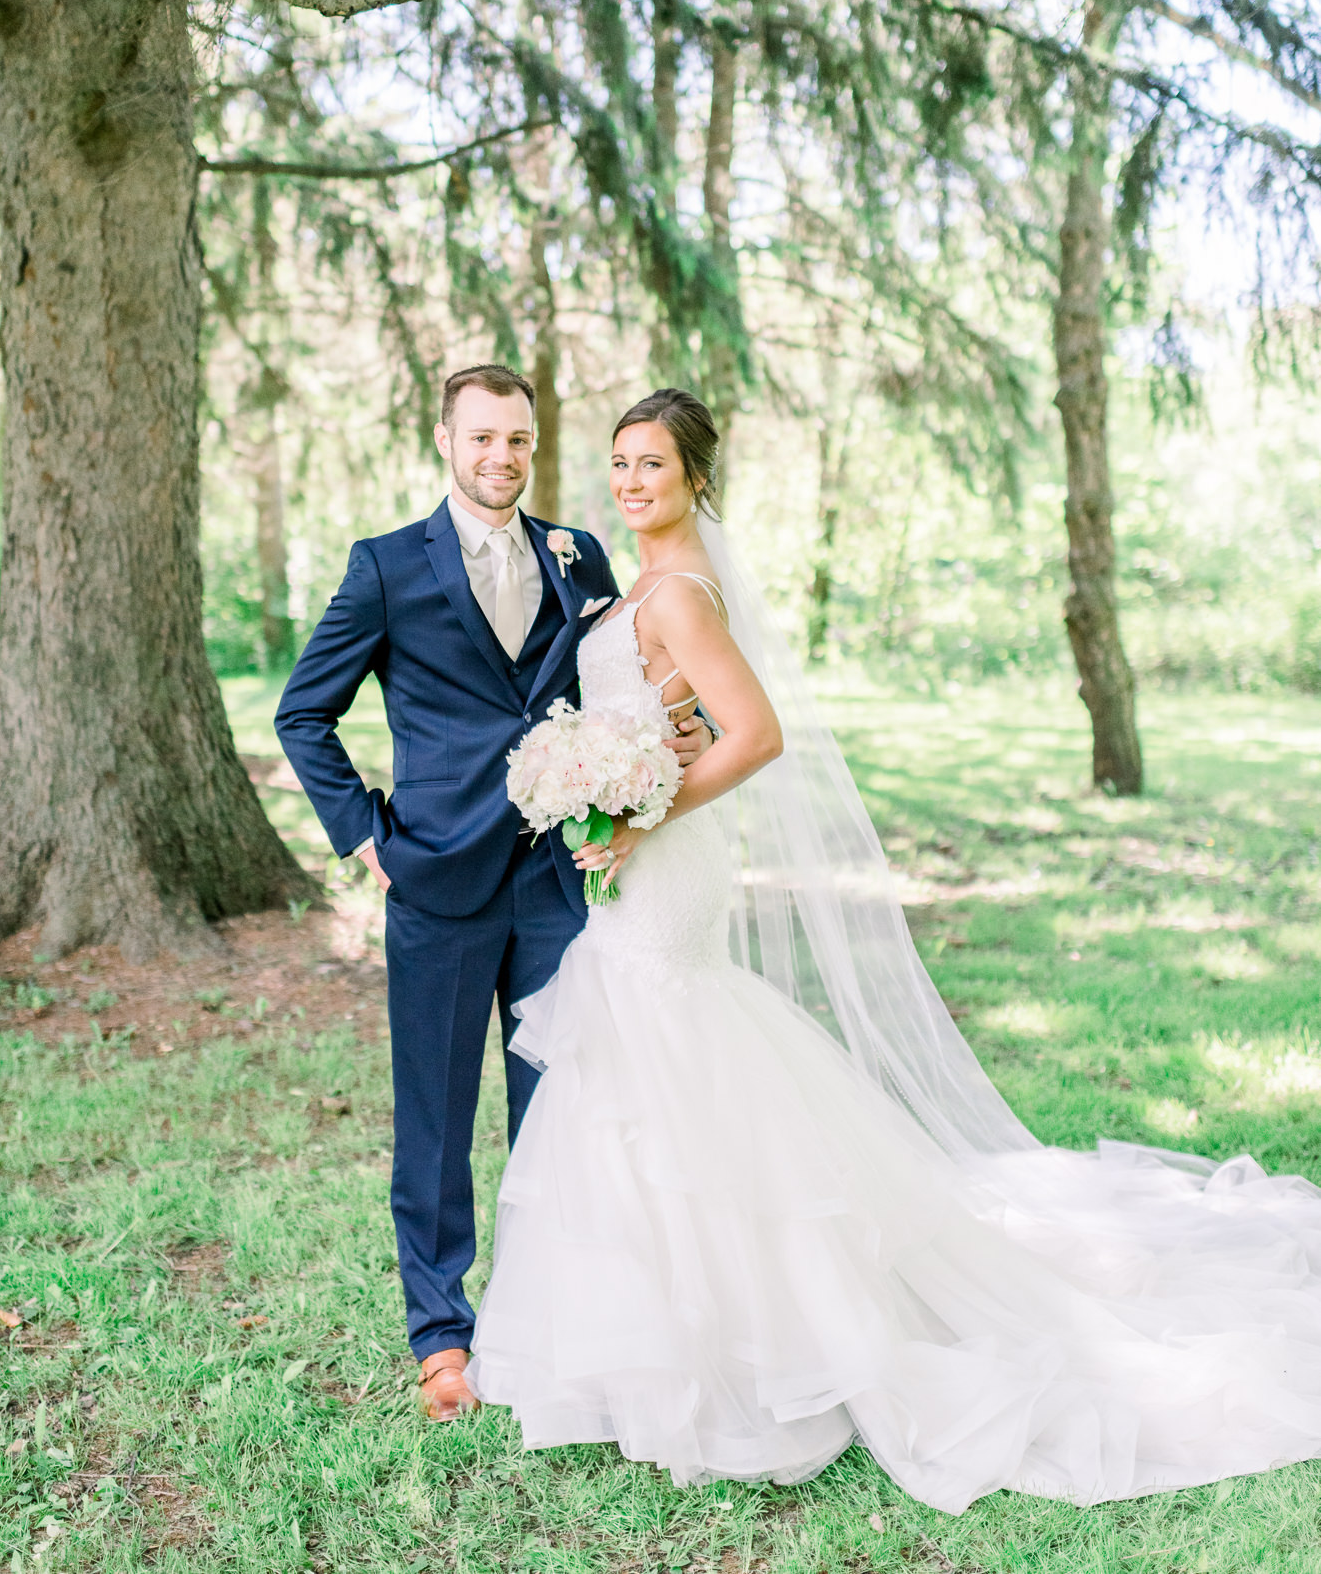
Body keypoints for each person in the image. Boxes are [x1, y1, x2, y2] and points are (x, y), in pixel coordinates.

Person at [467, 387, 1321, 1512]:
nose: (630, 482)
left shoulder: (677, 594)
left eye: (653, 466)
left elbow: (756, 732)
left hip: (664, 867)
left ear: (694, 480)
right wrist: (608, 771)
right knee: (643, 1065)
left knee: (666, 1049)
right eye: (620, 464)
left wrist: (638, 811)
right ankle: (659, 1347)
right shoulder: (644, 588)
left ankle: (739, 1352)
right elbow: (672, 721)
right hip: (638, 864)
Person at [273, 365, 708, 1424]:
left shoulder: (578, 555)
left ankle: (541, 1315)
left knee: (555, 1110)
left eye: (517, 440)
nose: (501, 458)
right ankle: (442, 1339)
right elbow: (303, 715)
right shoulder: (385, 569)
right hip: (434, 883)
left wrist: (667, 746)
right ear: (445, 443)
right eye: (482, 439)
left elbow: (628, 674)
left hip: (559, 879)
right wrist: (368, 840)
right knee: (433, 1121)